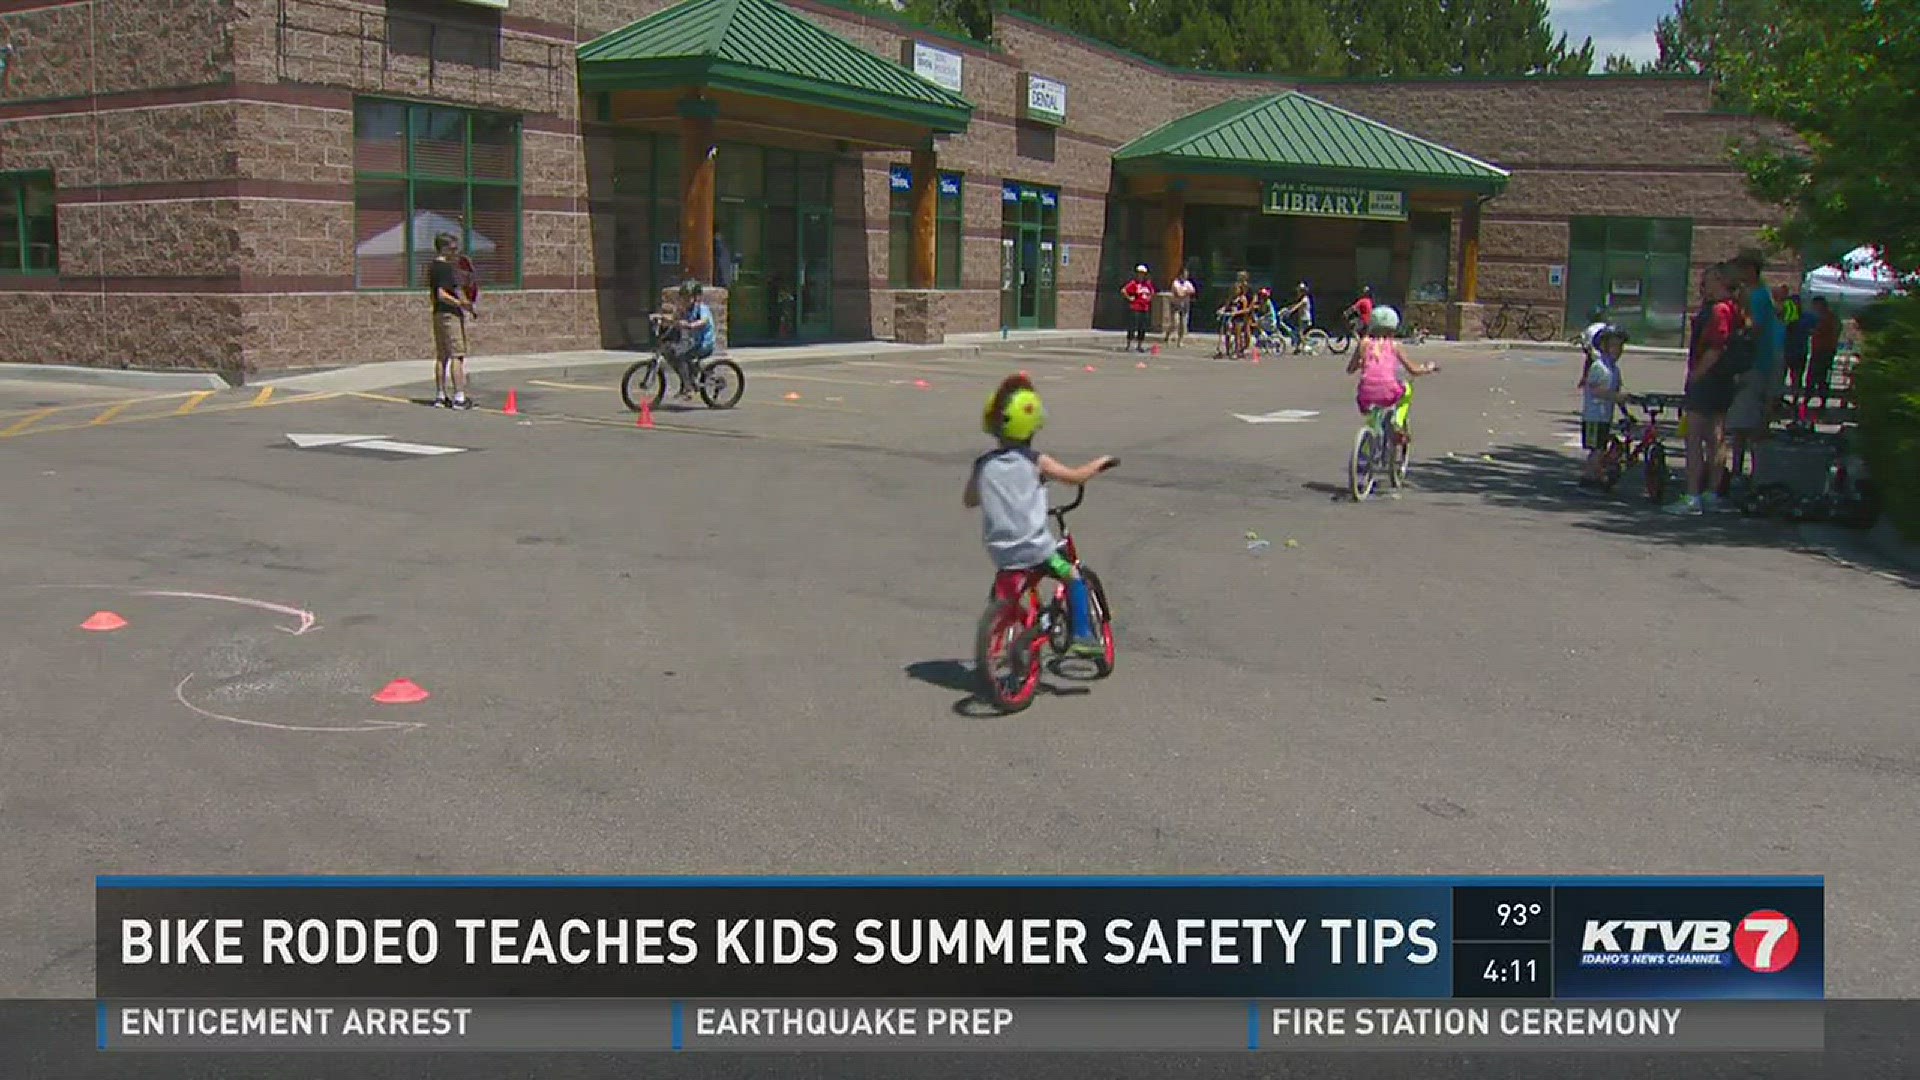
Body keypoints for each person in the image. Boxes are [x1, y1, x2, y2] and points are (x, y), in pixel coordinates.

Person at [963, 374, 1116, 657]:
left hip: (1001, 553)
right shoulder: (1036, 462)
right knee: (1072, 576)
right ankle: (1083, 634)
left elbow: (970, 500)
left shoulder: (983, 464)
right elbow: (1075, 477)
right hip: (1036, 550)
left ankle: (1000, 632)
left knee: (1006, 590)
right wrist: (1101, 463)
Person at [1669, 264, 1741, 516]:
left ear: (1720, 281)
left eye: (1708, 279)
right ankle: (1712, 491)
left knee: (1695, 437)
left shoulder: (1719, 310)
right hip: (1724, 380)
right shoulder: (1734, 308)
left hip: (1709, 379)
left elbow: (1716, 346)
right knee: (1716, 437)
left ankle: (1693, 494)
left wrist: (1696, 374)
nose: (1703, 284)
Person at [1724, 250, 1780, 492]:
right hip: (1758, 364)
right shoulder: (1761, 295)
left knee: (1743, 424)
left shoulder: (1756, 296)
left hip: (1753, 365)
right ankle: (1743, 470)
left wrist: (1738, 327)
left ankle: (1742, 473)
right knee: (1746, 422)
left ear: (1749, 270)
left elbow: (1753, 329)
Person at [1346, 305, 1437, 448]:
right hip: (1389, 390)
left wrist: (1361, 363)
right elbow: (1413, 370)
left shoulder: (1364, 343)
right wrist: (1428, 368)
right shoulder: (1394, 345)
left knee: (1372, 408)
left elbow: (1350, 369)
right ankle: (1398, 421)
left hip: (1366, 393)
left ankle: (1366, 449)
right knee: (1406, 389)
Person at [427, 232, 476, 409]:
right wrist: (461, 303)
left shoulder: (433, 266)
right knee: (457, 355)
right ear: (444, 248)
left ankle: (440, 396)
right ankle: (459, 397)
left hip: (438, 314)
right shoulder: (444, 268)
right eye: (453, 248)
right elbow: (442, 294)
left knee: (442, 356)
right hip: (449, 314)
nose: (456, 252)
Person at [1577, 325, 1629, 486]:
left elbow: (1616, 392)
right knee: (1596, 449)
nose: (1618, 350)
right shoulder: (1599, 367)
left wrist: (1625, 412)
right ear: (1603, 346)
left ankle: (1595, 474)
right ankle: (1589, 477)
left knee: (1601, 447)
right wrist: (1615, 396)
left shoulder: (1615, 369)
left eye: (1620, 346)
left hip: (1605, 416)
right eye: (1614, 346)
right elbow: (1595, 390)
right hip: (1594, 416)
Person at [665, 279, 716, 400]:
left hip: (704, 344)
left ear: (696, 298)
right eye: (683, 298)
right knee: (670, 353)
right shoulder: (684, 309)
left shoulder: (702, 309)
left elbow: (704, 321)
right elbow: (673, 318)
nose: (685, 301)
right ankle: (686, 381)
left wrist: (690, 325)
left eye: (688, 298)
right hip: (692, 342)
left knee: (682, 356)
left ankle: (688, 388)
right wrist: (662, 319)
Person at [1805, 297, 1841, 414]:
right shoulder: (1818, 318)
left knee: (1821, 377)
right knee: (1811, 376)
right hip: (1817, 350)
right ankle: (1807, 399)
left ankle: (1821, 401)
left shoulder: (1829, 318)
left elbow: (1833, 332)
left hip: (1825, 351)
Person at [1779, 285, 1810, 411]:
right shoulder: (1791, 317)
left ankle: (1794, 398)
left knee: (1795, 376)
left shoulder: (1803, 317)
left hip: (1797, 350)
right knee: (1786, 375)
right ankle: (1782, 397)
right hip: (1789, 350)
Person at [1121, 264, 1155, 353]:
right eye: (1140, 273)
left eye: (1143, 274)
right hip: (1135, 307)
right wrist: (1129, 298)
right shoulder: (1134, 283)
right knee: (1132, 326)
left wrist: (1149, 298)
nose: (1141, 275)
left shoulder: (1147, 284)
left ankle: (1139, 346)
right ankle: (1129, 345)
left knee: (1142, 327)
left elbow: (1152, 292)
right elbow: (1124, 290)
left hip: (1144, 308)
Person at [1279, 282, 1312, 353]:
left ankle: (1307, 346)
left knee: (1300, 333)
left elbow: (1298, 306)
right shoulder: (1301, 299)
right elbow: (1294, 305)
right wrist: (1286, 309)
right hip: (1301, 318)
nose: (1298, 292)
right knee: (1296, 332)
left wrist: (1290, 311)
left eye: (1300, 291)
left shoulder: (1305, 299)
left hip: (1305, 319)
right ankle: (1298, 348)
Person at [1166, 266, 1196, 346]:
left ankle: (1180, 341)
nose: (1186, 276)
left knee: (1183, 324)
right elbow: (1179, 293)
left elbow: (1193, 291)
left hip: (1185, 306)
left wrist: (1185, 292)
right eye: (1184, 274)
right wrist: (1186, 292)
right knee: (1175, 323)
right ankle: (1168, 335)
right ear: (1180, 274)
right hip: (1176, 305)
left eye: (1187, 274)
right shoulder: (1175, 283)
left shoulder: (1188, 283)